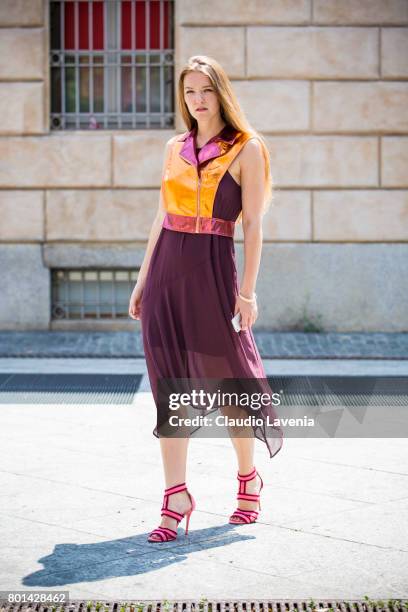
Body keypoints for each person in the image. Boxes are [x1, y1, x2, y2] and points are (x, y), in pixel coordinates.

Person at [128, 55, 283, 543]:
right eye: (190, 92)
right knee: (168, 389)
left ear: (221, 93)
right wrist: (141, 279)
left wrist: (248, 292)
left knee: (231, 385)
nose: (197, 100)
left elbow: (254, 224)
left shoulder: (246, 148)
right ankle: (175, 497)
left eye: (206, 91)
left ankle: (247, 481)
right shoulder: (174, 147)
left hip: (214, 273)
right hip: (166, 275)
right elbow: (161, 216)